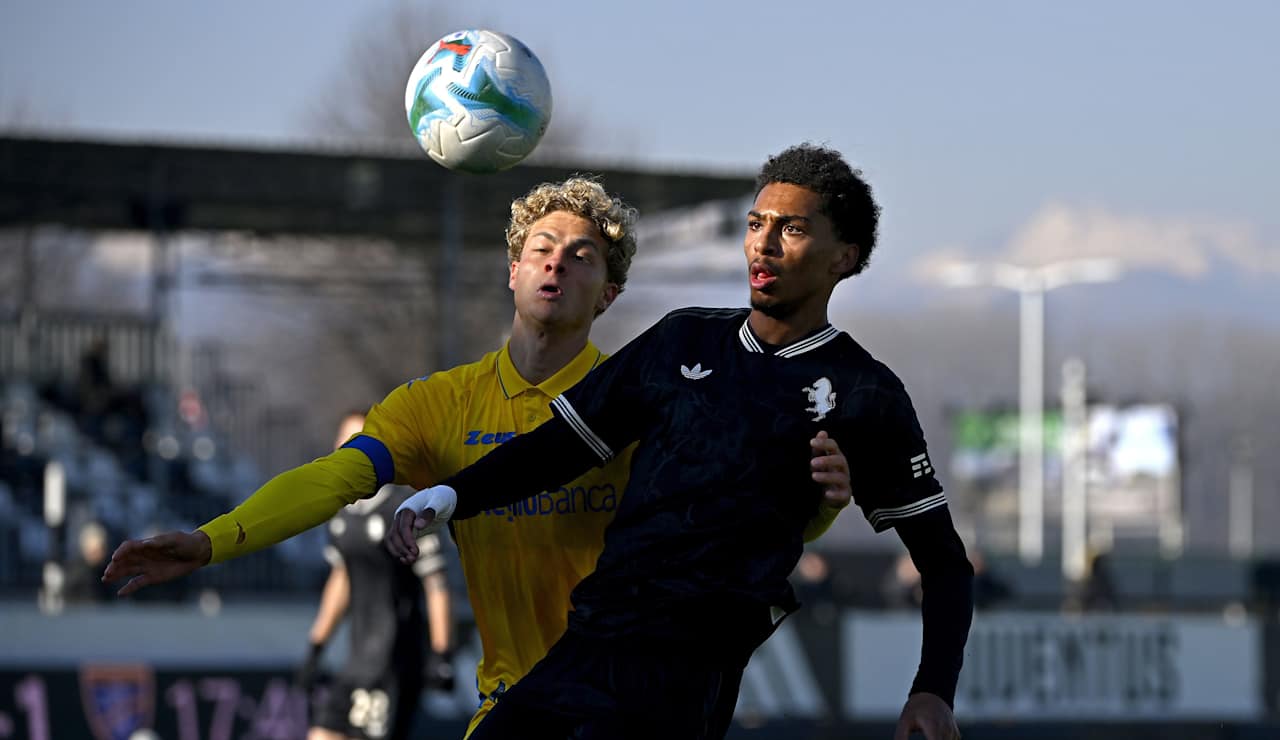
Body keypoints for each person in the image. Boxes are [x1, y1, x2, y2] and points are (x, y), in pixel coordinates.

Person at [102, 177, 849, 736]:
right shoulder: (437, 406)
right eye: (541, 250)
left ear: (609, 294)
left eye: (582, 257)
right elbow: (334, 479)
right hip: (513, 702)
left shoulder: (649, 400)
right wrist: (212, 540)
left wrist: (819, 504)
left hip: (635, 708)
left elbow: (740, 524)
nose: (557, 265)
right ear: (513, 272)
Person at [389, 144, 975, 740]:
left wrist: (933, 689)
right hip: (589, 644)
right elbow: (557, 448)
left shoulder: (863, 392)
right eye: (755, 224)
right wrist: (450, 495)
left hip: (687, 675)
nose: (763, 245)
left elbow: (945, 564)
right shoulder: (681, 340)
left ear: (843, 258)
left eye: (791, 229)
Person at [297, 411, 454, 740]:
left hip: (393, 661)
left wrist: (442, 653)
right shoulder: (342, 514)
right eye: (343, 440)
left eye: (358, 439)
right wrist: (316, 646)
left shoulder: (404, 507)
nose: (347, 448)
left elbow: (435, 583)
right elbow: (341, 579)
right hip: (356, 659)